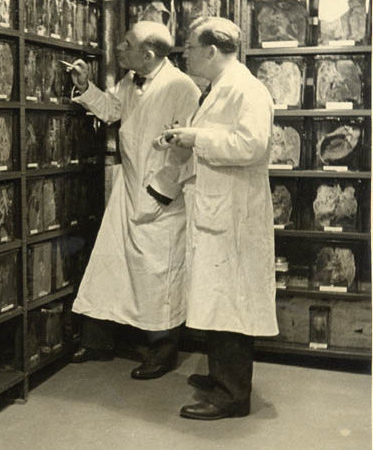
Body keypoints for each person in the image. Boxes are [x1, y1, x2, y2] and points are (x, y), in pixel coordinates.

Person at [69, 21, 200, 379]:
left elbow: (186, 149)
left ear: (149, 53)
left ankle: (161, 352)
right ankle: (98, 341)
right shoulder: (130, 81)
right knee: (110, 266)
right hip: (127, 191)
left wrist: (161, 192)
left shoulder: (182, 88)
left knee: (158, 276)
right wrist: (85, 87)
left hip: (160, 198)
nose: (119, 49)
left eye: (126, 45)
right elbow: (111, 110)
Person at [163, 17, 279, 419]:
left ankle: (233, 395)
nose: (186, 55)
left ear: (212, 50)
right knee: (217, 299)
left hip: (235, 216)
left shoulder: (247, 90)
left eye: (191, 49)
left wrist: (197, 138)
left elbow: (251, 145)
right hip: (219, 210)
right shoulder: (220, 89)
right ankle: (220, 377)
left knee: (231, 303)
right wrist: (190, 136)